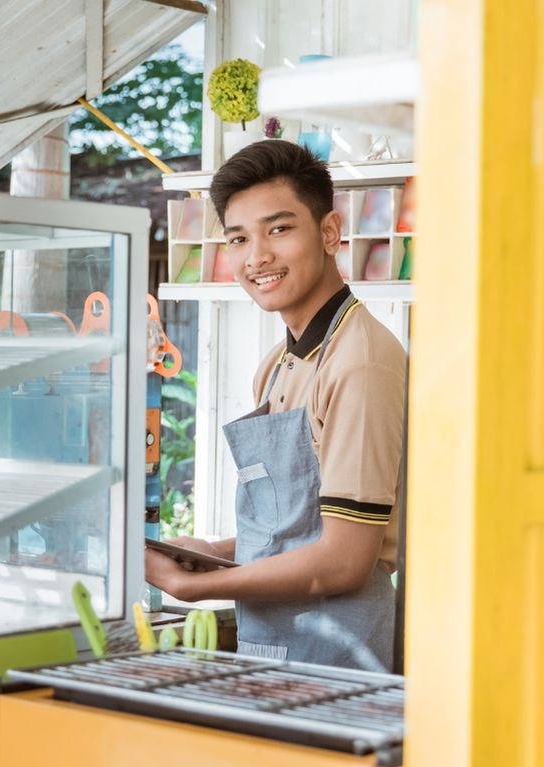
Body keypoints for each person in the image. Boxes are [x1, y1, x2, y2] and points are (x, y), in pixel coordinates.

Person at [144, 140, 407, 672]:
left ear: (330, 232)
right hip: (272, 648)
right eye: (238, 238)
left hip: (339, 657)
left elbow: (344, 562)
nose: (256, 256)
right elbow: (303, 529)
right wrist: (210, 551)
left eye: (279, 229)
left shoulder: (361, 362)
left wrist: (201, 587)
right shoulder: (277, 363)